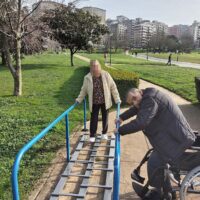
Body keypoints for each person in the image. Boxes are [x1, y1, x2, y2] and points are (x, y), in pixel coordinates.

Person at [115, 87, 200, 200]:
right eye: (132, 101)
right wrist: (122, 117)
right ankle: (167, 193)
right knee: (156, 159)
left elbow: (141, 122)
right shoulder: (146, 96)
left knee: (154, 162)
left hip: (177, 139)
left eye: (134, 98)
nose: (134, 102)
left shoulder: (150, 99)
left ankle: (160, 194)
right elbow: (136, 108)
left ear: (140, 91)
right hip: (174, 136)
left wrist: (120, 130)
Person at [76, 60, 121, 143]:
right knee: (94, 119)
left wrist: (117, 98)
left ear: (99, 66)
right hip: (94, 102)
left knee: (105, 118)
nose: (95, 67)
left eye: (96, 65)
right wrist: (79, 99)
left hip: (105, 101)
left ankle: (104, 133)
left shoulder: (106, 74)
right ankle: (92, 135)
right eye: (93, 66)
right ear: (91, 67)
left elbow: (113, 87)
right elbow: (84, 90)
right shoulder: (87, 77)